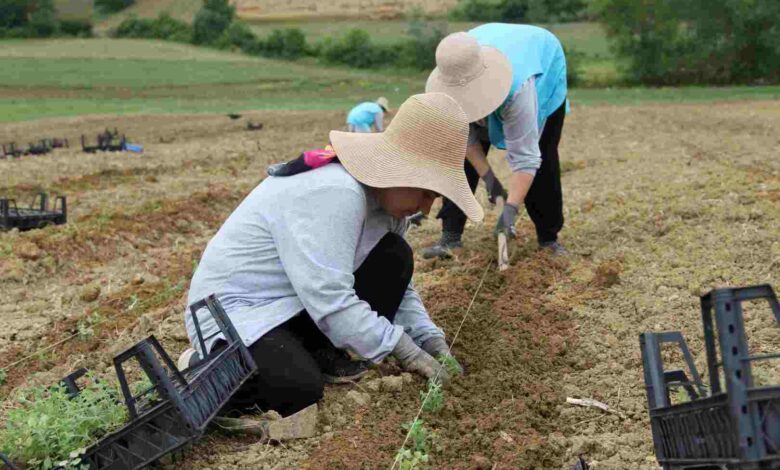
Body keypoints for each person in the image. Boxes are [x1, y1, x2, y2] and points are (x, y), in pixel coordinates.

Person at [178, 93, 481, 417]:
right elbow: (329, 297)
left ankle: (318, 351)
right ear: (401, 170)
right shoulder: (335, 192)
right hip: (238, 312)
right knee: (298, 390)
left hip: (295, 303)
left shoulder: (389, 208)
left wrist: (428, 338)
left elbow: (400, 291)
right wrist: (402, 348)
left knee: (395, 257)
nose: (425, 208)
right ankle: (206, 364)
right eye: (427, 193)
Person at [422, 24, 568, 259]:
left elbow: (527, 159)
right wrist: (489, 179)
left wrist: (509, 210)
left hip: (542, 63)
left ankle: (548, 239)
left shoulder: (519, 88)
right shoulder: (452, 72)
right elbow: (465, 139)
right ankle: (450, 237)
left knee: (543, 157)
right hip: (488, 51)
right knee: (457, 159)